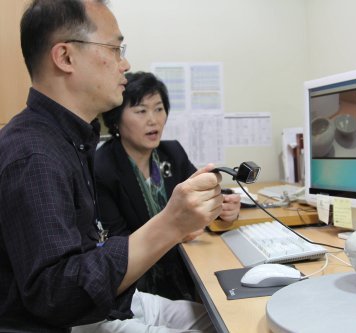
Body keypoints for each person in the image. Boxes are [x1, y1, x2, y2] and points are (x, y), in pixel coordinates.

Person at [0, 0, 219, 332]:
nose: (125, 64)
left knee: (219, 317)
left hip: (105, 299)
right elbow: (56, 296)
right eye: (115, 49)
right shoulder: (34, 154)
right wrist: (170, 224)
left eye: (158, 109)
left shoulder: (72, 138)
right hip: (68, 319)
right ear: (65, 57)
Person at [95, 71, 241, 301]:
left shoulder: (172, 152)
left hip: (184, 270)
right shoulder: (103, 168)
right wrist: (176, 231)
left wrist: (225, 208)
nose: (153, 120)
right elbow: (117, 245)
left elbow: (202, 197)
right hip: (137, 288)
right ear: (116, 119)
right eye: (141, 111)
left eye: (159, 108)